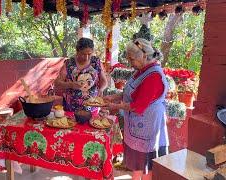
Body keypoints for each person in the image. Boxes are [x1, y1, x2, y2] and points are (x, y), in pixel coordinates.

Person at [103, 38, 168, 180]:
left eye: (132, 59)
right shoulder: (141, 70)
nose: (130, 63)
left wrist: (116, 106)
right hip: (139, 126)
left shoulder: (154, 76)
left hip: (148, 126)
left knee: (147, 167)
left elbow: (138, 106)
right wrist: (114, 97)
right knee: (139, 164)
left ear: (144, 56)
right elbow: (131, 93)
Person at [54, 37, 107, 112]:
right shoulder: (69, 64)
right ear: (77, 51)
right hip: (71, 107)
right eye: (83, 54)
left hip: (92, 106)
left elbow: (104, 80)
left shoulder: (96, 62)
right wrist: (70, 85)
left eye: (89, 54)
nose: (86, 58)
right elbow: (56, 83)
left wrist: (101, 89)